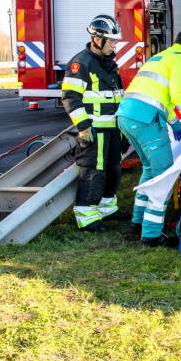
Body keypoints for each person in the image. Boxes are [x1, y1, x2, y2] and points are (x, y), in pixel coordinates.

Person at [116, 29, 181, 247]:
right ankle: (152, 234)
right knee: (165, 174)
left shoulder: (162, 57)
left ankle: (137, 223)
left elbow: (162, 96)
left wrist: (174, 123)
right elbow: (179, 95)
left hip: (127, 115)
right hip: (146, 119)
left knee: (150, 171)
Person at [60, 15, 125, 232]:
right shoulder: (81, 63)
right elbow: (70, 96)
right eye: (112, 41)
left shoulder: (108, 63)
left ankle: (106, 208)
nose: (115, 44)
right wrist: (84, 126)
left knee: (113, 170)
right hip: (94, 130)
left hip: (113, 128)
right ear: (97, 39)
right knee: (93, 171)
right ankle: (86, 216)